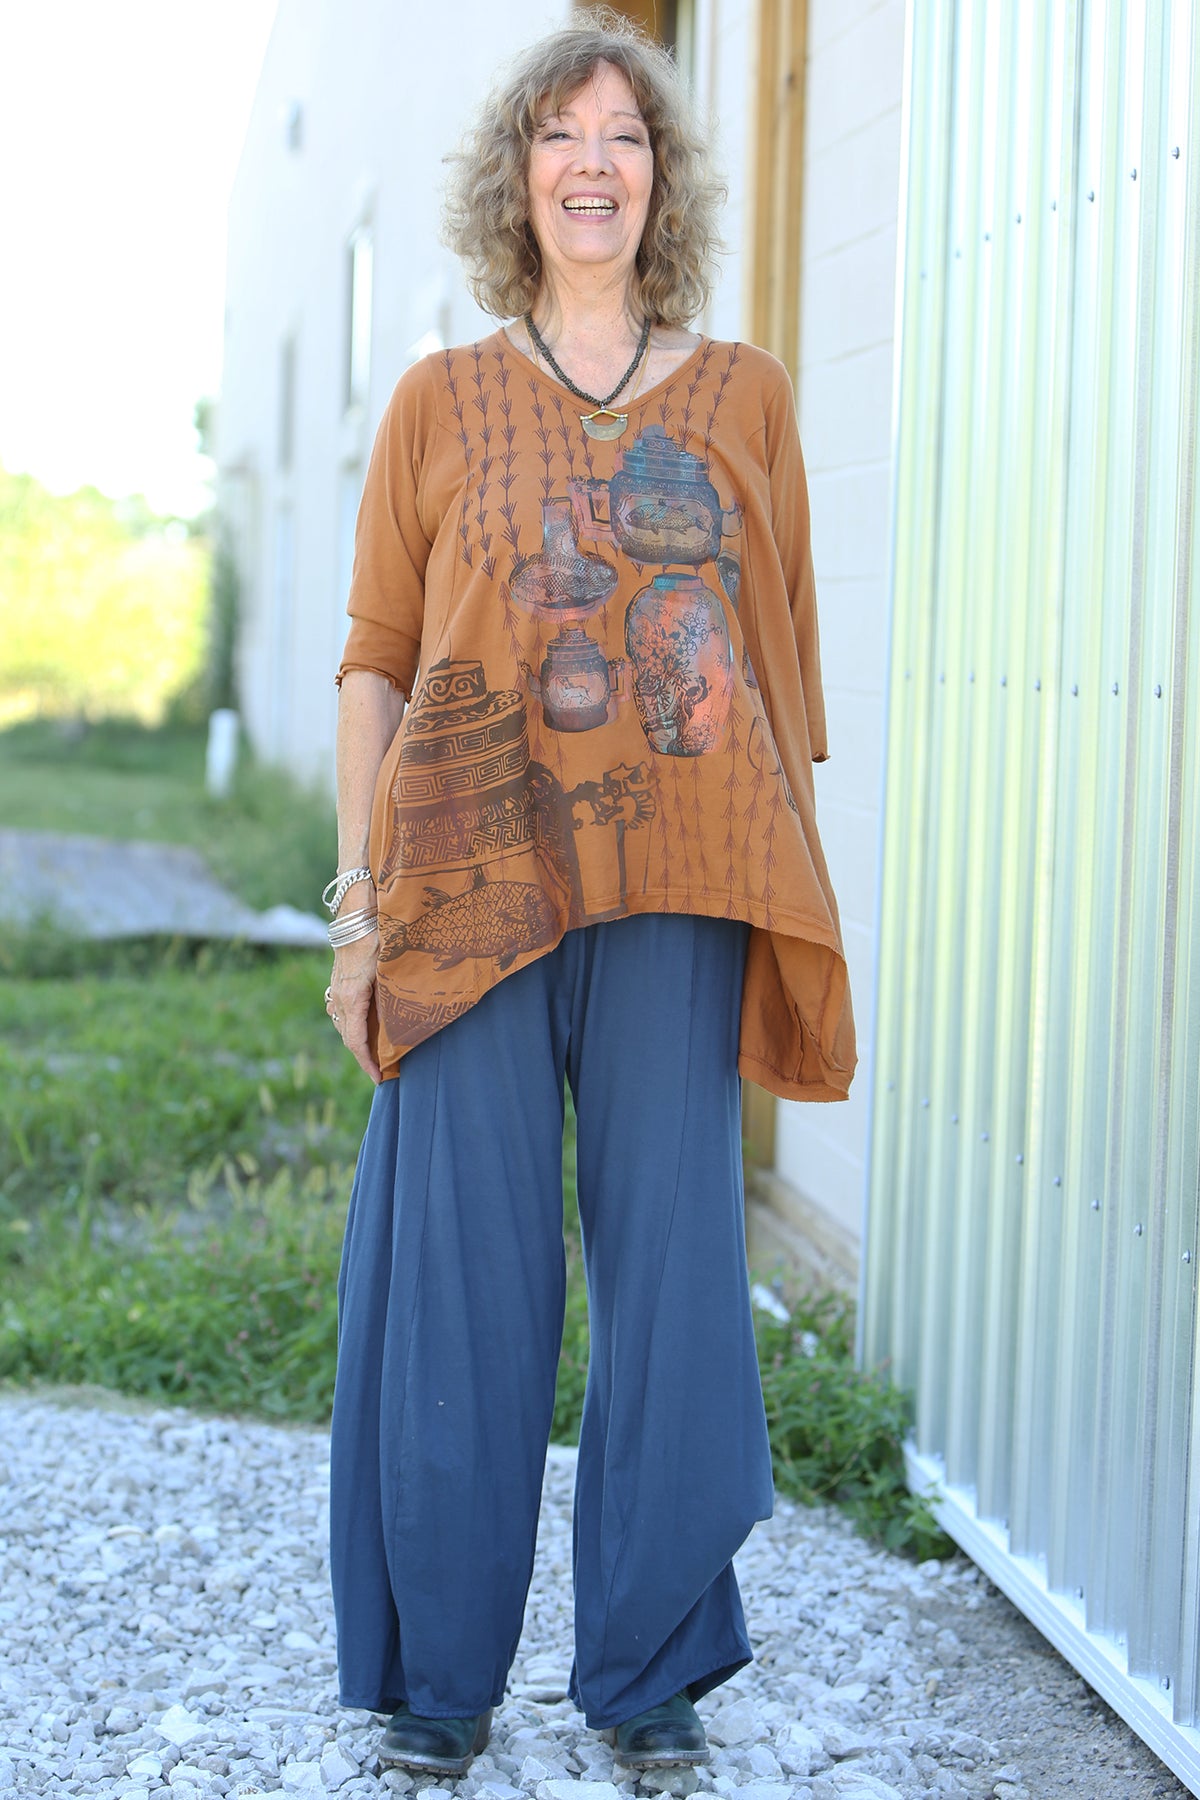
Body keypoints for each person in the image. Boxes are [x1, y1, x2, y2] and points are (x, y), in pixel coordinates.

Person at [322, 9, 856, 1780]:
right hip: (465, 886)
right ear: (518, 177)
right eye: (563, 134)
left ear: (662, 180)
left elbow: (779, 681)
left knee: (677, 1265)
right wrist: (358, 909)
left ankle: (649, 1669)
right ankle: (438, 1677)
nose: (595, 163)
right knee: (457, 1273)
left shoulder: (748, 396)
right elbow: (377, 664)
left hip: (677, 883)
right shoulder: (436, 402)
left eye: (627, 135)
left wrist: (785, 894)